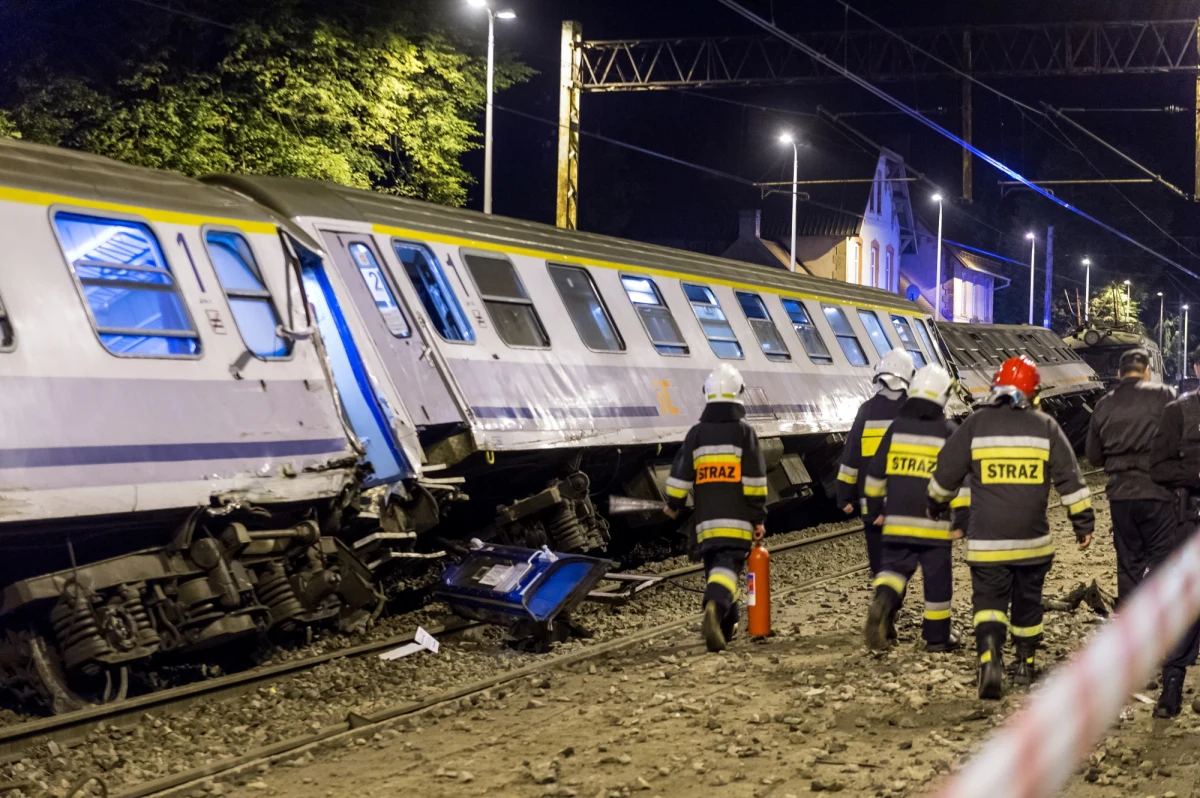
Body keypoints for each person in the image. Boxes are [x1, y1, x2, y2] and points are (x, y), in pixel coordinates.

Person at [928, 355, 1094, 700]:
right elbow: (1070, 479)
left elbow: (945, 474)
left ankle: (989, 659)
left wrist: (935, 504)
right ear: (1033, 393)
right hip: (1032, 543)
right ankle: (1025, 665)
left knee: (988, 603)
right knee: (1027, 604)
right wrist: (1083, 523)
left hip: (987, 544)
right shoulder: (1046, 426)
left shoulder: (975, 424)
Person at [664, 363, 767, 653]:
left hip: (706, 523)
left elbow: (680, 475)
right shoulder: (744, 434)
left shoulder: (696, 434)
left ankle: (725, 625)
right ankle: (713, 607)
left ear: (707, 394)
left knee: (718, 571)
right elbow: (755, 482)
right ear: (739, 394)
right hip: (737, 521)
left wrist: (673, 504)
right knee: (727, 569)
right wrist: (758, 517)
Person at [862, 364, 964, 652]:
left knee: (893, 570)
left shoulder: (896, 428)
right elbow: (961, 479)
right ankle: (937, 639)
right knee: (937, 582)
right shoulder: (948, 432)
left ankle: (883, 600)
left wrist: (873, 510)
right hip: (934, 524)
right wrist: (963, 519)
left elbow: (875, 474)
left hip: (897, 520)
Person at [1085, 348, 1176, 608]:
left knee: (1128, 563)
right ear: (1147, 371)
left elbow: (1093, 456)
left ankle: (1130, 620)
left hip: (1121, 495)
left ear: (1119, 373)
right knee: (1162, 561)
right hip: (1159, 493)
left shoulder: (1104, 405)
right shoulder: (1166, 396)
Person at [1148, 345, 1200, 717]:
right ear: (1197, 368)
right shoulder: (1178, 412)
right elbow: (1159, 467)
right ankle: (1171, 689)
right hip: (1190, 521)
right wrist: (1194, 475)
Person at [838, 349, 917, 577]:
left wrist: (844, 495)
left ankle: (883, 590)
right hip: (904, 503)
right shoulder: (914, 411)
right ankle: (894, 592)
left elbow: (851, 457)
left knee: (878, 561)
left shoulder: (866, 410)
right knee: (900, 559)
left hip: (870, 504)